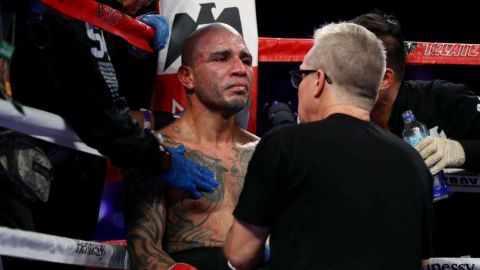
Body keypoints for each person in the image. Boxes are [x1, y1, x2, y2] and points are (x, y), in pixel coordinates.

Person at [0, 0, 216, 268]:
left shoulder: (99, 18)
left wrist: (129, 41)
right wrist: (161, 159)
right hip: (25, 161)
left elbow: (114, 96)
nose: (147, 2)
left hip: (72, 172)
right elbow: (98, 109)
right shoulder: (70, 10)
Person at [225, 22, 434, 270]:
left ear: (319, 80)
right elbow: (421, 262)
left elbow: (240, 253)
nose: (298, 86)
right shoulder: (413, 161)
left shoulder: (285, 144)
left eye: (300, 75)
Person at [124, 23, 260, 270]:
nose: (240, 69)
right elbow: (143, 246)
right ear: (187, 77)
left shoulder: (263, 152)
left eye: (246, 60)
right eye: (221, 58)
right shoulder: (158, 149)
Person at [350, 10, 480, 257]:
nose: (338, 74)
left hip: (457, 251)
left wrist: (462, 150)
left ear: (384, 78)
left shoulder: (443, 99)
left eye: (348, 66)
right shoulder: (341, 120)